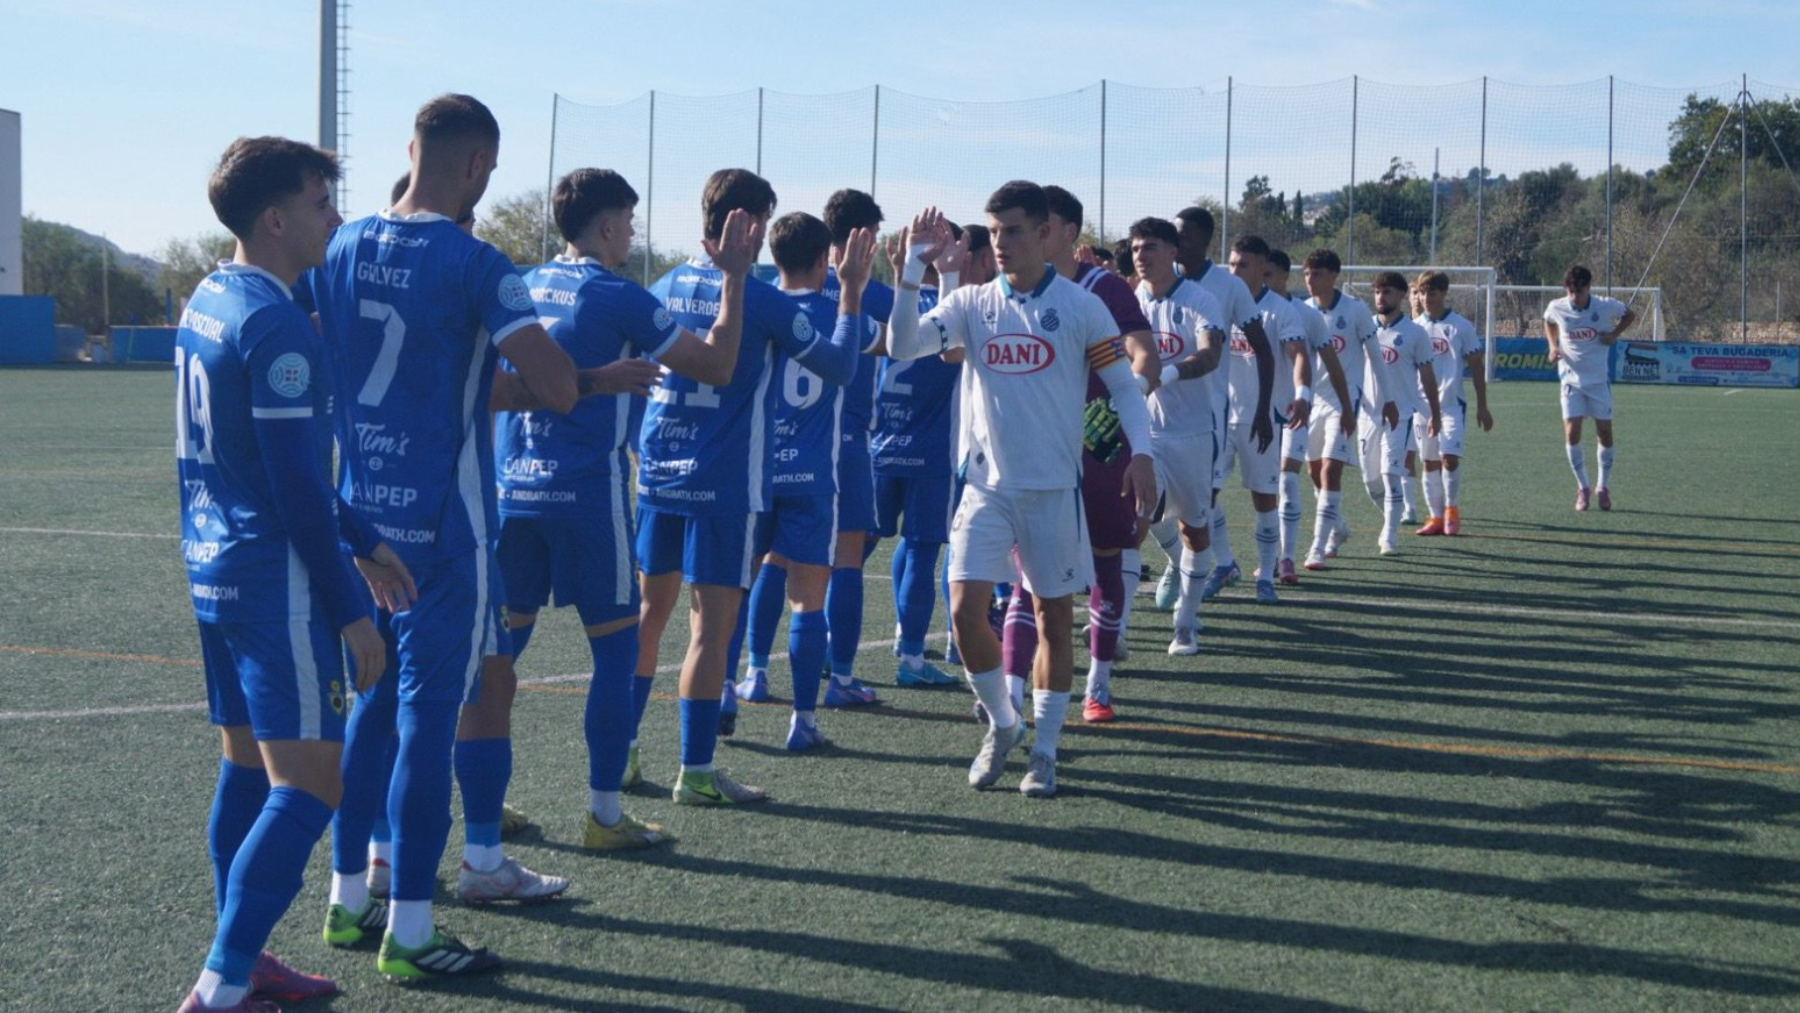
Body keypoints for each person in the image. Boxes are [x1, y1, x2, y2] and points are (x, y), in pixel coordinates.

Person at [312, 94, 580, 982]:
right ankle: (415, 929)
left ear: (410, 148)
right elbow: (558, 384)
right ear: (476, 166)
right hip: (444, 530)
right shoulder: (477, 260)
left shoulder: (342, 241)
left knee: (370, 712)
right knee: (429, 722)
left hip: (362, 521)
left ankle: (349, 902)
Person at [172, 135, 398, 1013]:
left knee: (247, 770)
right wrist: (352, 607)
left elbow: (271, 465)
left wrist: (366, 533)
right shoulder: (275, 325)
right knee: (312, 785)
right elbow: (298, 488)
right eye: (318, 203)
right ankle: (220, 989)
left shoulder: (210, 298)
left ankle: (246, 955)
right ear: (274, 218)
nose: (333, 218)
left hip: (213, 571)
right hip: (276, 582)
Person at [499, 167, 754, 848]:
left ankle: (486, 804)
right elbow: (716, 365)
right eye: (630, 223)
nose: (633, 237)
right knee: (616, 647)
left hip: (511, 493)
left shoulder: (518, 284)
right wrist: (733, 279)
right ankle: (604, 815)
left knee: (496, 652)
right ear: (608, 225)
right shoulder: (618, 294)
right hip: (585, 495)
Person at [887, 187, 1157, 798]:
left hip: (1055, 490)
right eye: (995, 231)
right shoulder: (972, 303)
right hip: (985, 488)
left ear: (1044, 235)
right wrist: (911, 268)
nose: (1001, 244)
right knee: (961, 613)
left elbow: (1122, 385)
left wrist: (1141, 454)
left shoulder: (1082, 307)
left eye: (1012, 231)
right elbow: (904, 346)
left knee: (1053, 619)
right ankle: (1004, 725)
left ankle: (1045, 751)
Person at [634, 168, 871, 805]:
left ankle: (623, 752)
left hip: (657, 471)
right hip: (724, 481)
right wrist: (849, 291)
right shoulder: (756, 295)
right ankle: (697, 771)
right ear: (754, 223)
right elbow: (842, 365)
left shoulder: (664, 282)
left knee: (648, 618)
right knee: (710, 629)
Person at [998, 186, 1157, 725]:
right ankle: (1011, 692)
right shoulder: (1011, 291)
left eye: (1040, 226)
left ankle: (1099, 685)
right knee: (1028, 579)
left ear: (1065, 232)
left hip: (1098, 449)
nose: (1029, 237)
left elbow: (1144, 356)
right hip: (1036, 454)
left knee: (1107, 563)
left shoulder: (1103, 289)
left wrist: (1119, 405)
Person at [734, 210, 879, 750]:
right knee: (808, 601)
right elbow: (902, 340)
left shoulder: (754, 305)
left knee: (738, 585)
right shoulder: (843, 313)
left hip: (754, 471)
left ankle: (736, 683)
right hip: (814, 474)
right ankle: (803, 720)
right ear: (827, 260)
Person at [871, 222, 976, 688]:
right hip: (932, 451)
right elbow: (954, 351)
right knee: (922, 548)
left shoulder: (897, 304)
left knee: (859, 550)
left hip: (881, 444)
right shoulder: (955, 310)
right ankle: (912, 656)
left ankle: (837, 644)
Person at [1163, 207, 1273, 605]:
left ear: (1205, 240)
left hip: (1211, 417)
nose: (1178, 244)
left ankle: (1206, 571)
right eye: (1174, 236)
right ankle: (1197, 562)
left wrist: (1262, 409)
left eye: (1185, 236)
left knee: (1201, 500)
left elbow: (1262, 349)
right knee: (1164, 504)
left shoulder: (1228, 287)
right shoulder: (1161, 282)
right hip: (1161, 417)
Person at [1127, 217, 1226, 659]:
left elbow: (1209, 354)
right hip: (1141, 433)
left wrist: (1165, 373)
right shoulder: (1129, 301)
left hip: (1193, 434)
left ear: (1171, 251)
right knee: (1131, 522)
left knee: (1195, 529)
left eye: (1149, 247)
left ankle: (1185, 622)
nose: (1140, 257)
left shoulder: (1200, 300)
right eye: (1135, 249)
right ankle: (1117, 626)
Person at [1216, 235, 1309, 604]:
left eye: (1243, 265)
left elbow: (1298, 353)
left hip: (1262, 419)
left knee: (1264, 498)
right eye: (1231, 264)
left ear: (1260, 268)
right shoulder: (1218, 303)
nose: (1235, 271)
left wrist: (1302, 395)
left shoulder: (1280, 309)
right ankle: (1225, 562)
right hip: (1219, 416)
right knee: (1199, 497)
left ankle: (1266, 575)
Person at [1300, 249, 1391, 569]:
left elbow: (1375, 356)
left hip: (1343, 402)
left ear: (1334, 275)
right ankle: (1337, 528)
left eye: (1317, 273)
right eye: (1307, 273)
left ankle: (1318, 546)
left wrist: (1387, 398)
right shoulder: (1301, 310)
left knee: (1329, 471)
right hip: (1309, 403)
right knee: (1314, 473)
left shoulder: (1354, 310)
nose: (1310, 279)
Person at [1269, 249, 1350, 582]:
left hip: (1296, 410)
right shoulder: (1242, 311)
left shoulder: (1306, 315)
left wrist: (1347, 406)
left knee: (1289, 476)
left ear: (1282, 276)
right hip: (1253, 415)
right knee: (1266, 487)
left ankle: (1289, 557)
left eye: (1267, 275)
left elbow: (1332, 364)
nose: (1259, 281)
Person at [1543, 264, 1635, 511]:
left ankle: (1602, 487)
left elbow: (1630, 314)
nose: (1575, 297)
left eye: (1580, 291)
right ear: (1567, 289)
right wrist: (1553, 346)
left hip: (1598, 381)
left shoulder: (1605, 306)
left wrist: (1614, 334)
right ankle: (1583, 487)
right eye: (1571, 292)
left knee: (1604, 433)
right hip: (1571, 381)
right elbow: (1548, 321)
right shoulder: (1557, 307)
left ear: (1588, 288)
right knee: (1572, 432)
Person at [1363, 272, 1441, 554]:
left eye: (1386, 292)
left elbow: (1428, 376)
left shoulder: (1414, 333)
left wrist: (1435, 411)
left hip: (1401, 416)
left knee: (1390, 474)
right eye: (1377, 292)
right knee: (1370, 481)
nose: (1380, 298)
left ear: (1400, 296)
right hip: (1367, 417)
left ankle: (1389, 536)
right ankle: (1390, 517)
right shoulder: (1365, 329)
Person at [1411, 270, 1493, 535]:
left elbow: (1477, 367)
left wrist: (1482, 405)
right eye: (1422, 293)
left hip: (1451, 405)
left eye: (1431, 293)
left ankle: (1451, 509)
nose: (1425, 298)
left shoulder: (1461, 326)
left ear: (1444, 294)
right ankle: (1434, 517)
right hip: (1421, 408)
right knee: (1429, 462)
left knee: (1450, 458)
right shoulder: (1414, 328)